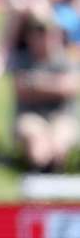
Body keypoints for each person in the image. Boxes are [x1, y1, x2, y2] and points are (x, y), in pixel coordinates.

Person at [12, 16, 80, 172]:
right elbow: (22, 90)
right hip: (32, 117)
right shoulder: (23, 60)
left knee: (59, 143)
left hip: (62, 117)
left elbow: (69, 88)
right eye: (40, 35)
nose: (45, 40)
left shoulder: (67, 60)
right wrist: (55, 84)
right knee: (37, 146)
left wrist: (36, 83)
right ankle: (40, 174)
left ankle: (53, 177)